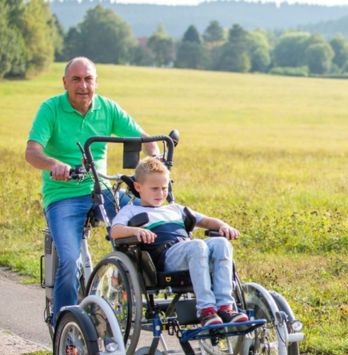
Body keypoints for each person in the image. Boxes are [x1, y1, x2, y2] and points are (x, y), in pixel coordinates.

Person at [25, 57, 160, 326]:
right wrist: (55, 165)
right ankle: (64, 325)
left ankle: (129, 294)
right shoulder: (51, 109)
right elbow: (32, 151)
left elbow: (143, 139)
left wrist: (155, 159)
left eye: (88, 79)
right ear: (65, 82)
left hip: (103, 190)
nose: (82, 85)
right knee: (70, 262)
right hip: (62, 195)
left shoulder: (107, 108)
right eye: (76, 79)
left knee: (146, 226)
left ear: (96, 82)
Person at [111, 157, 249, 327]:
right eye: (154, 189)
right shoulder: (131, 210)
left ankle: (225, 307)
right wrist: (136, 231)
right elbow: (115, 231)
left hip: (191, 251)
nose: (160, 194)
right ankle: (206, 310)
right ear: (138, 187)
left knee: (221, 243)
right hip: (166, 258)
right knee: (197, 245)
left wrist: (223, 225)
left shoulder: (175, 208)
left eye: (163, 188)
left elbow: (205, 220)